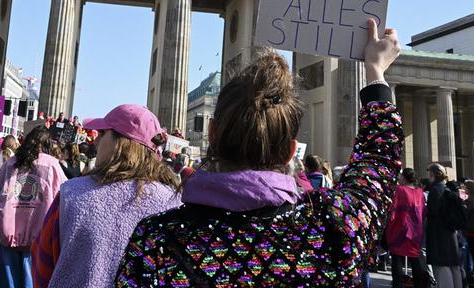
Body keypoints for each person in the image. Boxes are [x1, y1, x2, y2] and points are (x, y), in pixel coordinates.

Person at [114, 19, 403, 286]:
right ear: (290, 151)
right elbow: (378, 163)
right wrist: (375, 72)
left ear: (212, 134)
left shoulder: (157, 240)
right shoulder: (333, 227)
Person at [32, 104, 182, 287]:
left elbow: (42, 266)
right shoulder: (174, 202)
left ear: (121, 143)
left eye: (103, 134)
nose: (96, 141)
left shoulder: (71, 194)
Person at [0, 126, 67, 288]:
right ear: (47, 144)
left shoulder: (11, 162)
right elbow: (64, 197)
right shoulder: (52, 164)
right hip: (39, 239)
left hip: (8, 236)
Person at [385, 167, 427, 288]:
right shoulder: (420, 191)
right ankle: (418, 285)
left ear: (403, 177)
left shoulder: (399, 190)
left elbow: (393, 208)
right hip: (416, 228)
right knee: (415, 258)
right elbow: (423, 211)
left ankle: (398, 285)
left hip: (400, 227)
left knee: (397, 258)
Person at [426, 163, 464, 287]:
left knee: (441, 266)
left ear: (432, 174)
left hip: (439, 233)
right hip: (451, 232)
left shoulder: (435, 190)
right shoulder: (448, 189)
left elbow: (434, 211)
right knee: (453, 265)